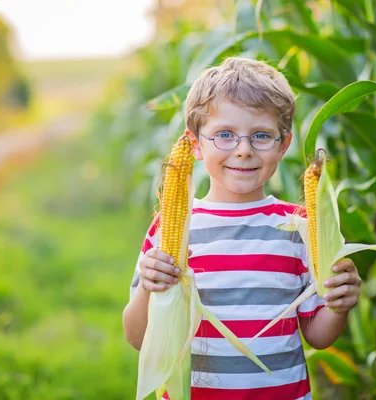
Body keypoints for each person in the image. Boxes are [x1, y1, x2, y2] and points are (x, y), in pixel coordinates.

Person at [122, 57, 362, 399]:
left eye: (261, 135)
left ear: (283, 145)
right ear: (195, 145)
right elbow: (137, 337)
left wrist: (339, 305)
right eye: (225, 135)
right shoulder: (171, 230)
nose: (244, 150)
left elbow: (318, 336)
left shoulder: (298, 228)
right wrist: (148, 287)